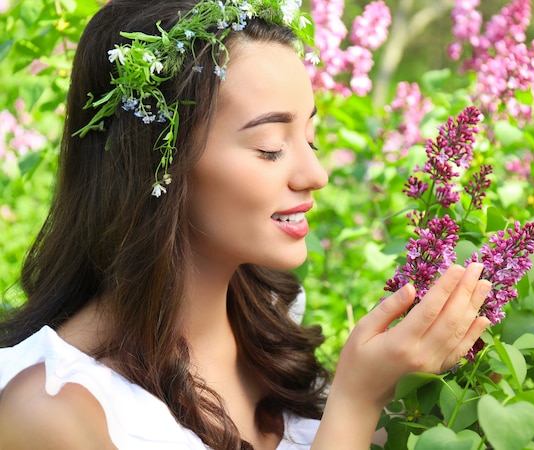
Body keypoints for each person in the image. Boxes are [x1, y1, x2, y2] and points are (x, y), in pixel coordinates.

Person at [0, 0, 492, 448]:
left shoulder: (273, 325)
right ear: (157, 167)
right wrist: (358, 400)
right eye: (271, 148)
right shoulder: (53, 411)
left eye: (311, 138)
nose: (315, 175)